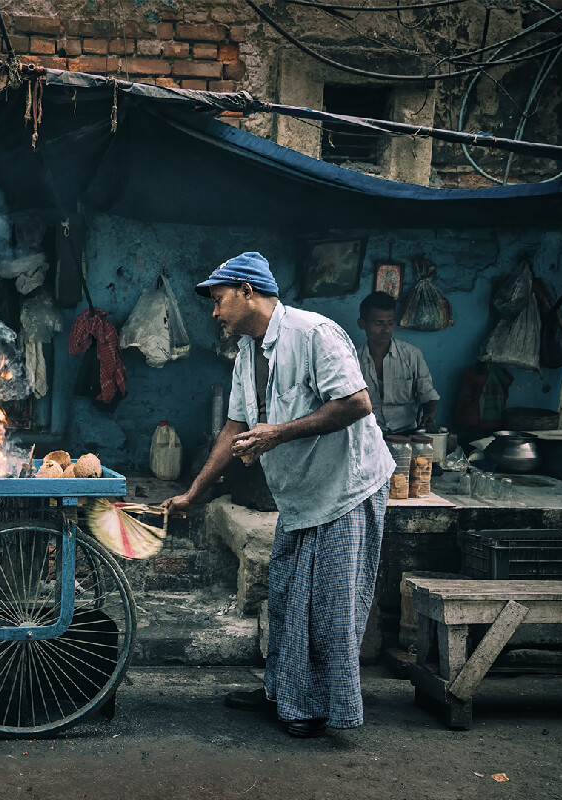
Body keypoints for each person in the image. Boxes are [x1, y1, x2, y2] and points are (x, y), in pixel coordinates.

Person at [164, 252, 393, 739]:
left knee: (330, 609)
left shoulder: (314, 334)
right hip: (302, 493)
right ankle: (284, 695)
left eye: (219, 299)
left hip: (346, 488)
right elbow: (235, 426)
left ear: (248, 291)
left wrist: (279, 434)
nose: (214, 312)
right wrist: (194, 494)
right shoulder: (249, 351)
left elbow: (356, 403)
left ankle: (317, 710)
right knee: (286, 600)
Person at [356, 291, 440, 433]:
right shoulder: (353, 359)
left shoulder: (411, 355)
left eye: (390, 323)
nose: (386, 330)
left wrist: (429, 415)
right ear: (362, 324)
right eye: (379, 324)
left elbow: (428, 395)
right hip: (368, 434)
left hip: (406, 432)